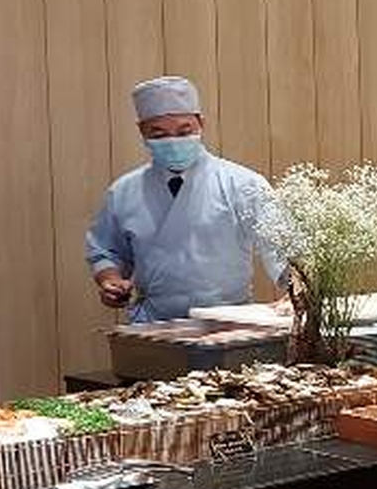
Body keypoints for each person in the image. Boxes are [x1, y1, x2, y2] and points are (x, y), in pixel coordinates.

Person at [85, 76, 285, 323]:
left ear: (201, 124)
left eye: (184, 131)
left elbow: (282, 248)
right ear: (142, 132)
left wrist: (298, 295)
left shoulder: (242, 184)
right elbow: (106, 250)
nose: (173, 141)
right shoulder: (124, 192)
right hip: (154, 325)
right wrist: (111, 281)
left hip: (229, 323)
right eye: (159, 134)